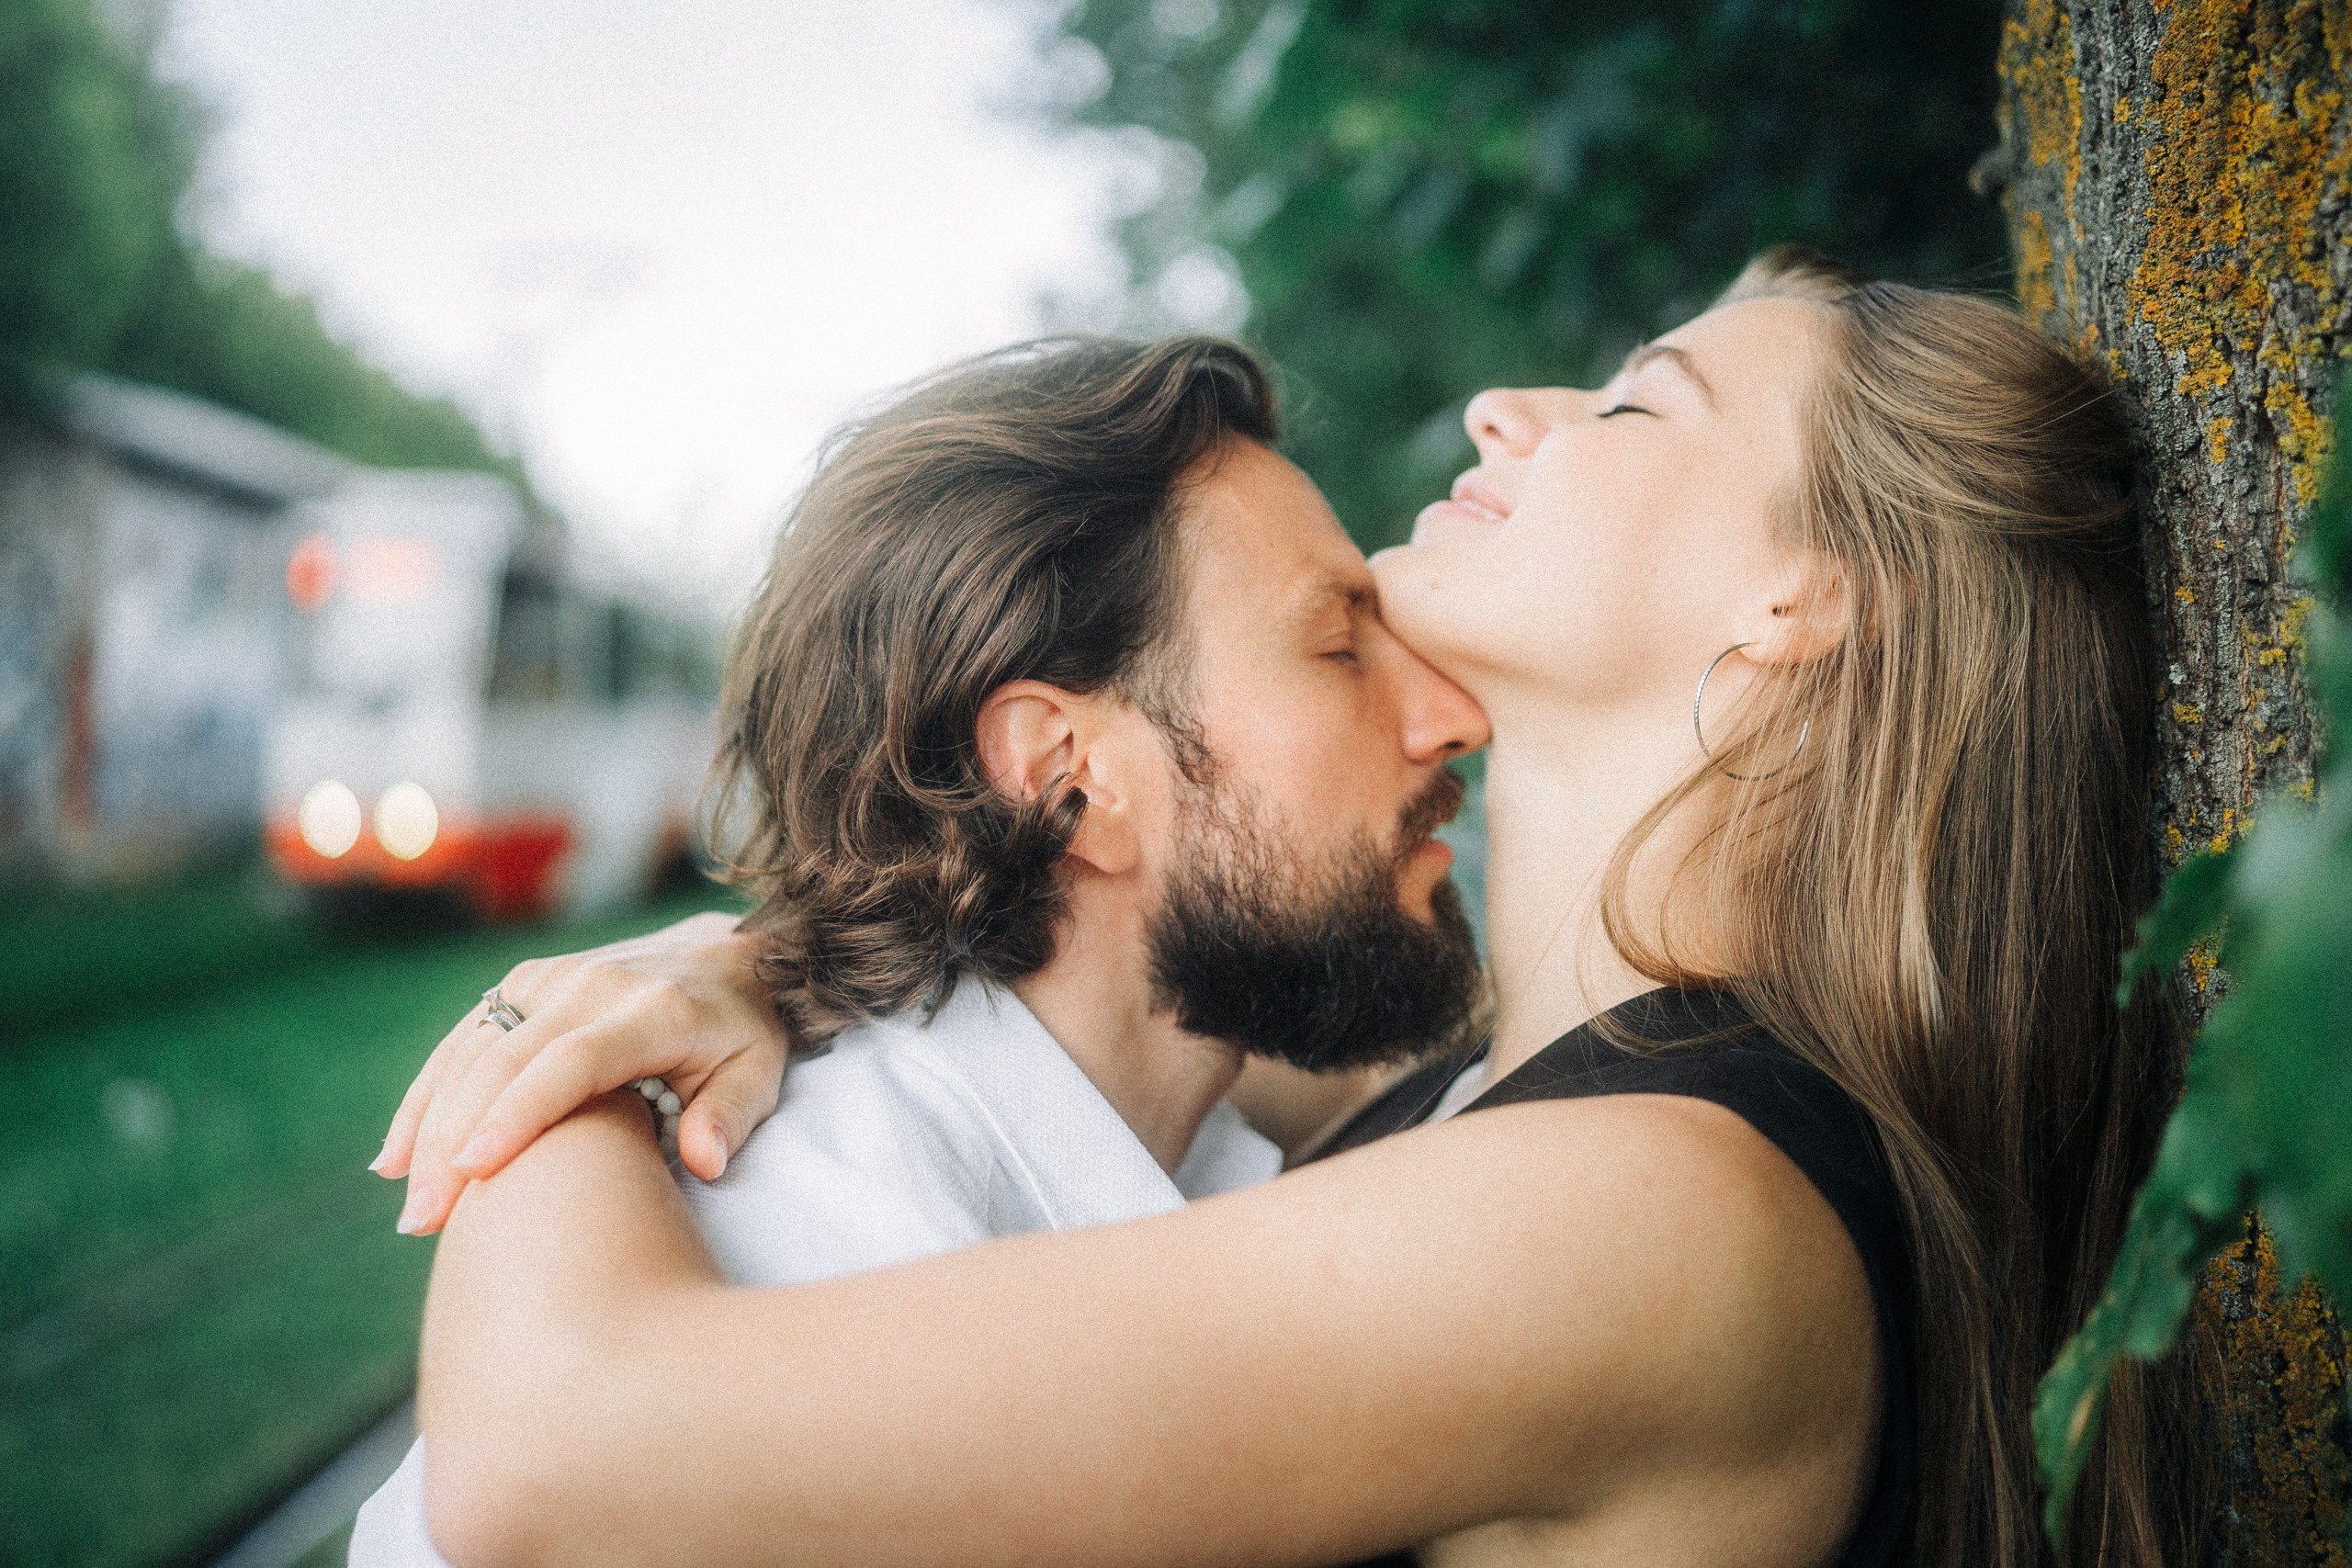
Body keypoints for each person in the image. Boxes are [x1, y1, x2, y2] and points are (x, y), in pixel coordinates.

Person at [379, 250, 2188, 1568]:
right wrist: (757, 960)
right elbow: (1099, 998)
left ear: (1798, 602)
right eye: (1327, 642)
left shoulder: (1658, 1212)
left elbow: (556, 1453)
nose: (1505, 407)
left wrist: (568, 1033)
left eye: (1639, 398)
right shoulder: (1497, 1098)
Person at [350, 336, 1493, 1566]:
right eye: (1337, 648)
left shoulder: (1172, 1144)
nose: (1452, 715)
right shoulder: (827, 1245)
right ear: (1069, 776)